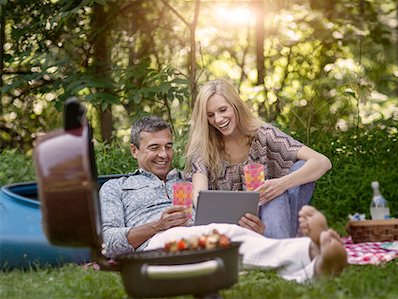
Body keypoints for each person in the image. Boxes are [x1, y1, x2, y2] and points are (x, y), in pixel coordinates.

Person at [99, 115, 347, 284]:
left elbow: (218, 215)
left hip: (209, 235)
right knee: (218, 240)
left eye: (169, 146)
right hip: (156, 245)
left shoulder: (189, 180)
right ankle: (310, 250)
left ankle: (315, 267)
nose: (164, 154)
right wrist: (158, 226)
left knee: (229, 240)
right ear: (134, 150)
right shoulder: (115, 188)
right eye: (154, 147)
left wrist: (254, 227)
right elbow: (109, 242)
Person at [184, 79, 332, 238]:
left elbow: (322, 162)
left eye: (223, 110)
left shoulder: (263, 134)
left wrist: (280, 184)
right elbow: (200, 200)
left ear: (236, 106)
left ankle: (280, 240)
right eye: (211, 115)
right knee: (275, 196)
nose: (218, 119)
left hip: (274, 212)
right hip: (231, 223)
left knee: (293, 176)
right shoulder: (204, 148)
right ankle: (286, 242)